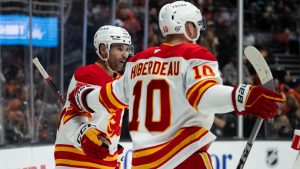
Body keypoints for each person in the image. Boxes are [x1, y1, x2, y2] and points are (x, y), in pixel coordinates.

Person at [69, 1, 284, 168]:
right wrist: (242, 96)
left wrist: (81, 96)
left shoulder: (137, 62)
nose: (198, 31)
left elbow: (107, 97)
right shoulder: (193, 53)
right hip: (183, 157)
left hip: (142, 163)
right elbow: (203, 95)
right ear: (188, 27)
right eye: (195, 26)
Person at [54, 25, 132, 169]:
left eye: (127, 49)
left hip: (104, 160)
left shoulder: (119, 80)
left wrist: (114, 148)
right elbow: (74, 115)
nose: (125, 55)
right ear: (103, 50)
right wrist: (83, 134)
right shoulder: (87, 74)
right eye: (119, 49)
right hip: (78, 159)